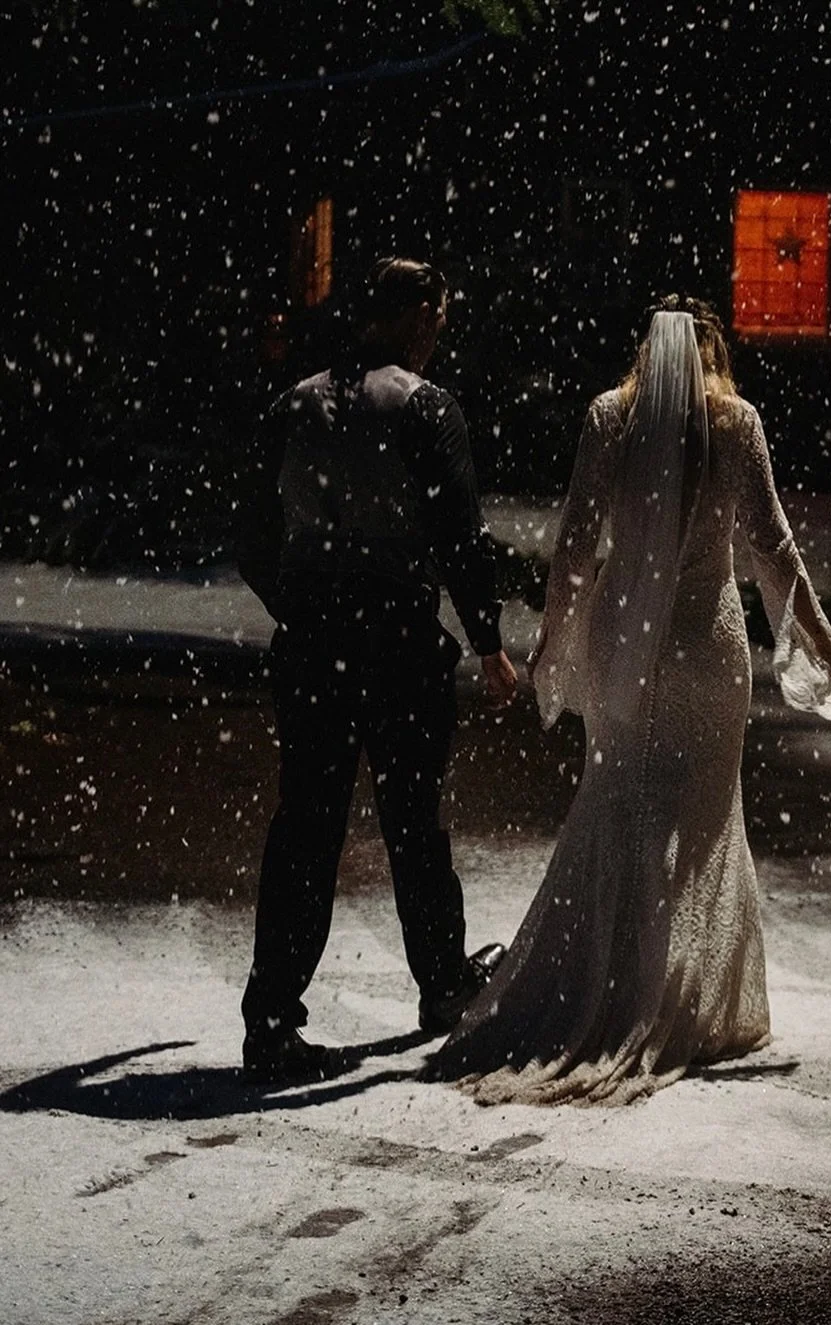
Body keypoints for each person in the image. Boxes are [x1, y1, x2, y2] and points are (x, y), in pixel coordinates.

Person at [424, 296, 831, 1105]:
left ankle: (601, 980)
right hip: (706, 640)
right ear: (712, 350)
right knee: (699, 813)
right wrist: (816, 636)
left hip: (628, 636)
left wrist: (558, 633)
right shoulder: (736, 423)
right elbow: (770, 540)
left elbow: (579, 542)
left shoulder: (608, 418)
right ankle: (681, 998)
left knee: (618, 801)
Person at [237, 256, 518, 1085]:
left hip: (316, 637)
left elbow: (249, 528)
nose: (436, 337)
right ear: (413, 317)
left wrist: (296, 603)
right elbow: (460, 536)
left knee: (306, 826)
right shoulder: (426, 408)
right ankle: (441, 983)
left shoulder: (296, 404)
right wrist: (487, 638)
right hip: (396, 635)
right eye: (433, 321)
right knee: (413, 818)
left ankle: (272, 1018)